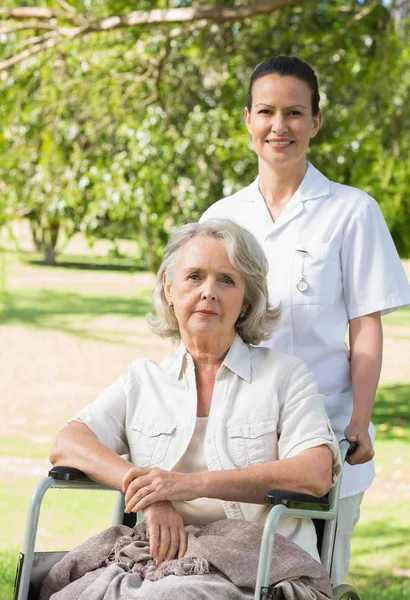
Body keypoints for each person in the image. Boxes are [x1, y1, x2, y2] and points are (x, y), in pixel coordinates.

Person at [200, 56, 410, 585]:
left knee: (318, 583)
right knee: (232, 580)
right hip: (236, 438)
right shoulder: (220, 219)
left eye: (294, 112)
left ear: (315, 122)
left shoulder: (352, 211)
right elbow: (202, 330)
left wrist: (358, 419)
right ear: (247, 118)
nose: (280, 126)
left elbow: (366, 325)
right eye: (267, 111)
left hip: (324, 432)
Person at [49, 218, 341, 598]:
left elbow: (314, 473)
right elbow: (69, 442)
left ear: (246, 300)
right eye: (194, 277)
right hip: (156, 558)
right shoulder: (143, 380)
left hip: (260, 564)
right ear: (169, 288)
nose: (208, 293)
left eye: (226, 280)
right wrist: (151, 495)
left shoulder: (285, 376)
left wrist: (188, 485)